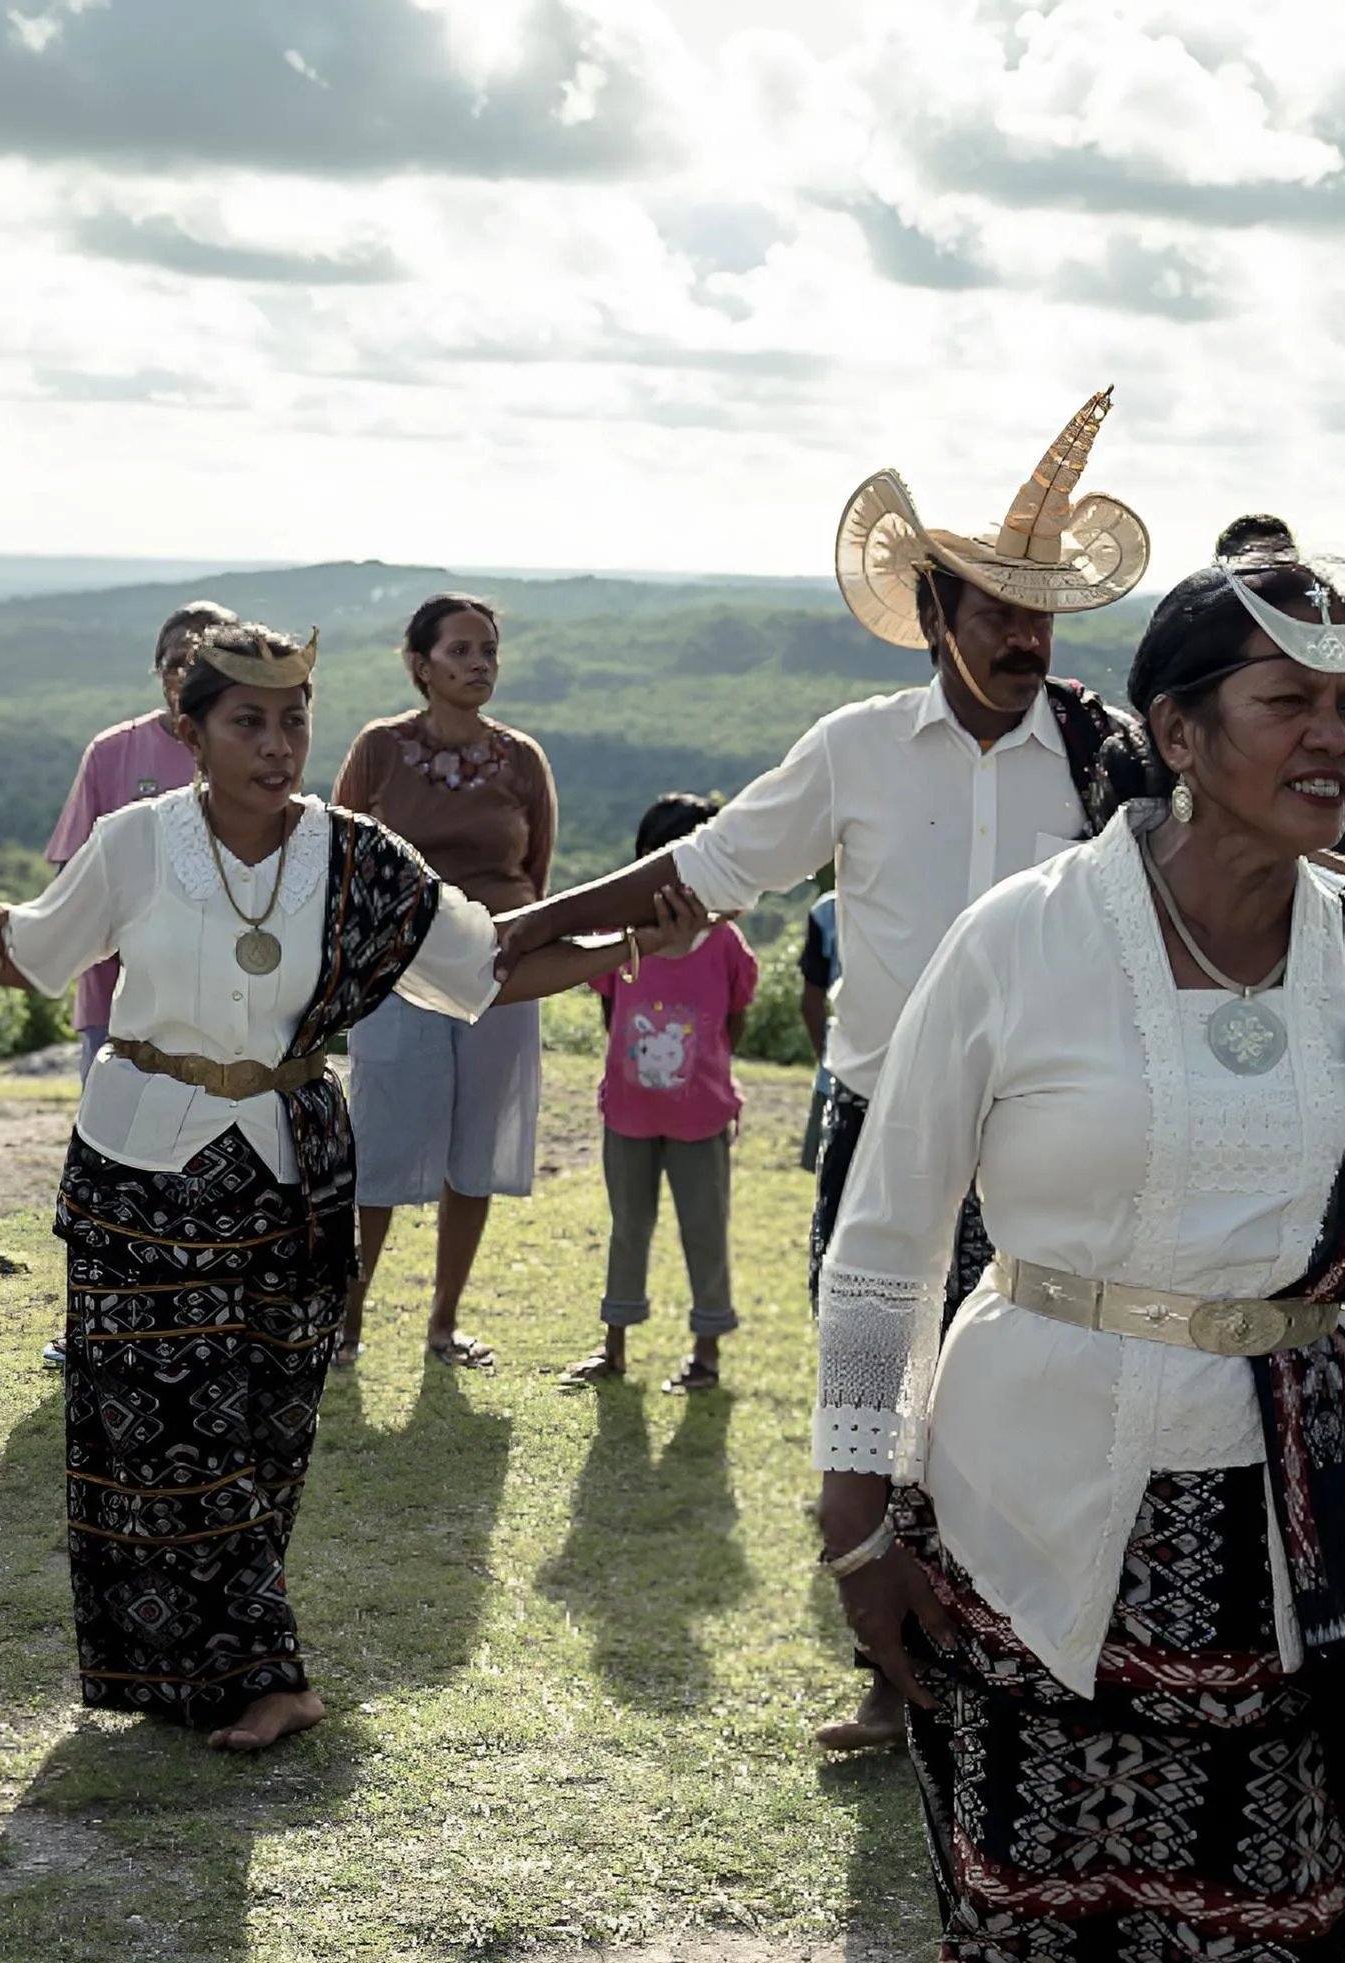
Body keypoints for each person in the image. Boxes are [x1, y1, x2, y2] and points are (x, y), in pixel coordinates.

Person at [815, 534, 1345, 1963]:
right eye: (1290, 701)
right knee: (1029, 1956)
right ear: (1178, 732)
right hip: (1021, 1514)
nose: (1338, 737)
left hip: (1288, 1540)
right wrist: (855, 1530)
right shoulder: (1022, 941)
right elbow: (885, 1249)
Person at [0, 621, 684, 1753]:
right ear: (190, 730)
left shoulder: (360, 856)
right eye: (248, 720)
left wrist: (629, 945)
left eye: (294, 718)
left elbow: (485, 967)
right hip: (138, 1170)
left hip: (290, 1169)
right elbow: (31, 952)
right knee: (142, 1431)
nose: (277, 742)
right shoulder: (135, 842)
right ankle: (209, 1673)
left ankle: (250, 1668)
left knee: (259, 1427)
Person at [489, 392, 1164, 1755]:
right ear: (936, 620)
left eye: (1043, 618)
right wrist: (519, 930)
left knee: (1041, 1401)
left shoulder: (1110, 768)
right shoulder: (854, 745)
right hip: (881, 1128)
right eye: (997, 614)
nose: (1027, 639)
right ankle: (893, 1675)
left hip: (1056, 1141)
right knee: (883, 1404)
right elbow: (706, 867)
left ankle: (1036, 1672)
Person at [327, 594, 557, 1371]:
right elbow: (341, 858)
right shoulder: (380, 748)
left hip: (498, 974)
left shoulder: (522, 759)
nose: (479, 662)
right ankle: (347, 1320)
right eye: (460, 650)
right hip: (398, 972)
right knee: (380, 1144)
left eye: (488, 648)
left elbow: (536, 875)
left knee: (477, 1147)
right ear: (420, 666)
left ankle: (443, 1325)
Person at [565, 792, 758, 1395]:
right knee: (629, 1227)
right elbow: (609, 1010)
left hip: (702, 1119)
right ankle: (615, 1346)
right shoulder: (617, 939)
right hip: (627, 1115)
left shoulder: (725, 946)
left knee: (704, 1229)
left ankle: (706, 1354)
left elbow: (733, 1018)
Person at [43, 598, 233, 1080]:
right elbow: (73, 876)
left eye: (208, 663)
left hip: (227, 1005)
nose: (189, 676)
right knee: (114, 1146)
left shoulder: (254, 754)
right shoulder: (112, 753)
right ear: (158, 672)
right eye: (176, 664)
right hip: (118, 1003)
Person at [794, 884, 839, 1174]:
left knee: (832, 1190)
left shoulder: (829, 911)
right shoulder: (827, 912)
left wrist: (827, 1057)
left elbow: (812, 1002)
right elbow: (810, 1003)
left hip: (839, 1073)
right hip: (911, 1077)